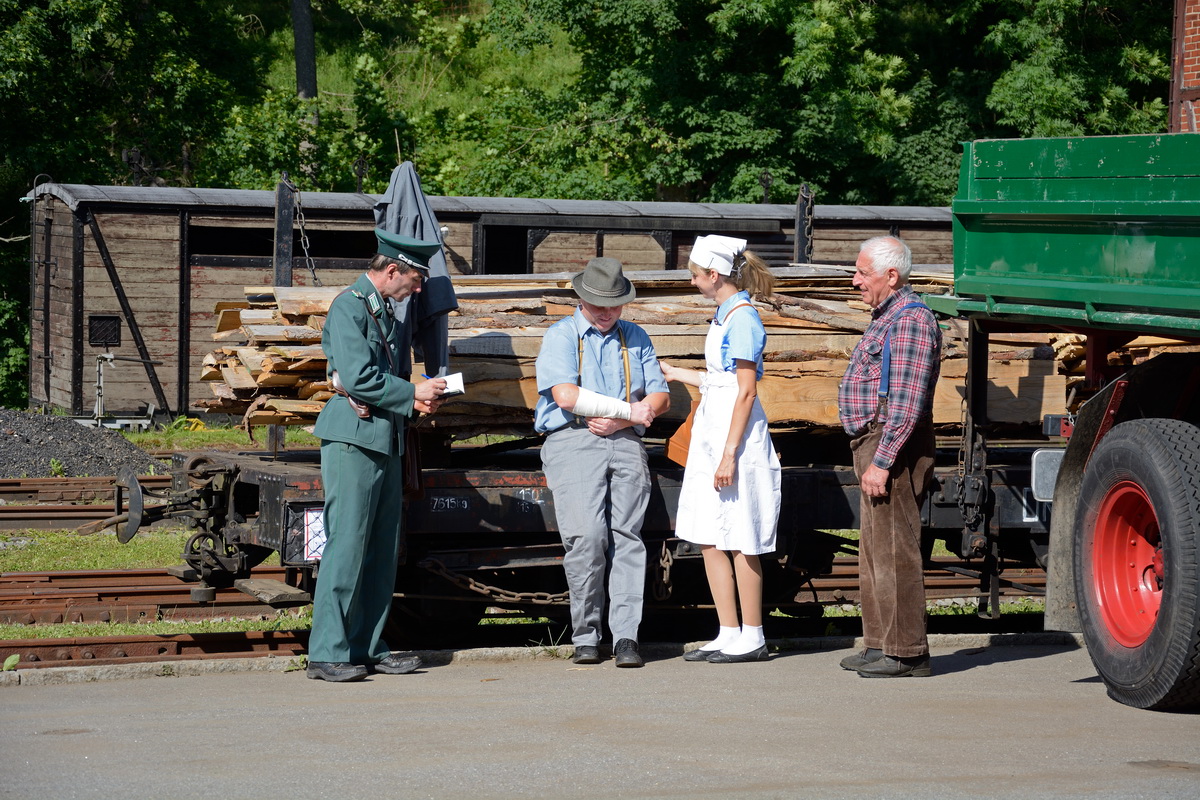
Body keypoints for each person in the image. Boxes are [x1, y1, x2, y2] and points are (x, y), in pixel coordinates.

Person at [306, 229, 449, 683]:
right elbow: (358, 375)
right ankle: (326, 652)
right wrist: (412, 392)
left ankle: (367, 647)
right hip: (354, 442)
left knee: (382, 550)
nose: (419, 288)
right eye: (416, 279)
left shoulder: (383, 307)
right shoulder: (350, 306)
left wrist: (416, 399)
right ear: (392, 271)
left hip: (383, 437)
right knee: (347, 546)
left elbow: (365, 380)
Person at [534, 257, 671, 668]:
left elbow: (660, 397)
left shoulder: (636, 337)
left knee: (627, 536)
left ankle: (626, 637)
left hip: (625, 441)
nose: (608, 312)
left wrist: (625, 418)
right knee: (588, 537)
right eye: (599, 305)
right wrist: (629, 411)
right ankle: (586, 635)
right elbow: (566, 397)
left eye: (615, 305)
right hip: (573, 439)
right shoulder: (561, 336)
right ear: (581, 298)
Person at [660, 235, 781, 664]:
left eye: (695, 275)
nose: (692, 282)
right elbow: (721, 379)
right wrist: (677, 372)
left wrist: (730, 453)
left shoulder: (744, 319)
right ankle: (727, 630)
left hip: (738, 438)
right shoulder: (723, 314)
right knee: (711, 536)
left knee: (741, 536)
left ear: (714, 275)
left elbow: (745, 392)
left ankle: (753, 634)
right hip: (714, 431)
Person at [836, 235, 942, 678]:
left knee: (896, 549)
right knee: (874, 549)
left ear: (891, 275)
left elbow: (907, 400)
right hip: (874, 441)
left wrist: (882, 459)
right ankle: (881, 643)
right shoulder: (889, 317)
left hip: (890, 444)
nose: (856, 280)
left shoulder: (911, 320)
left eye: (863, 272)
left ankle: (908, 652)